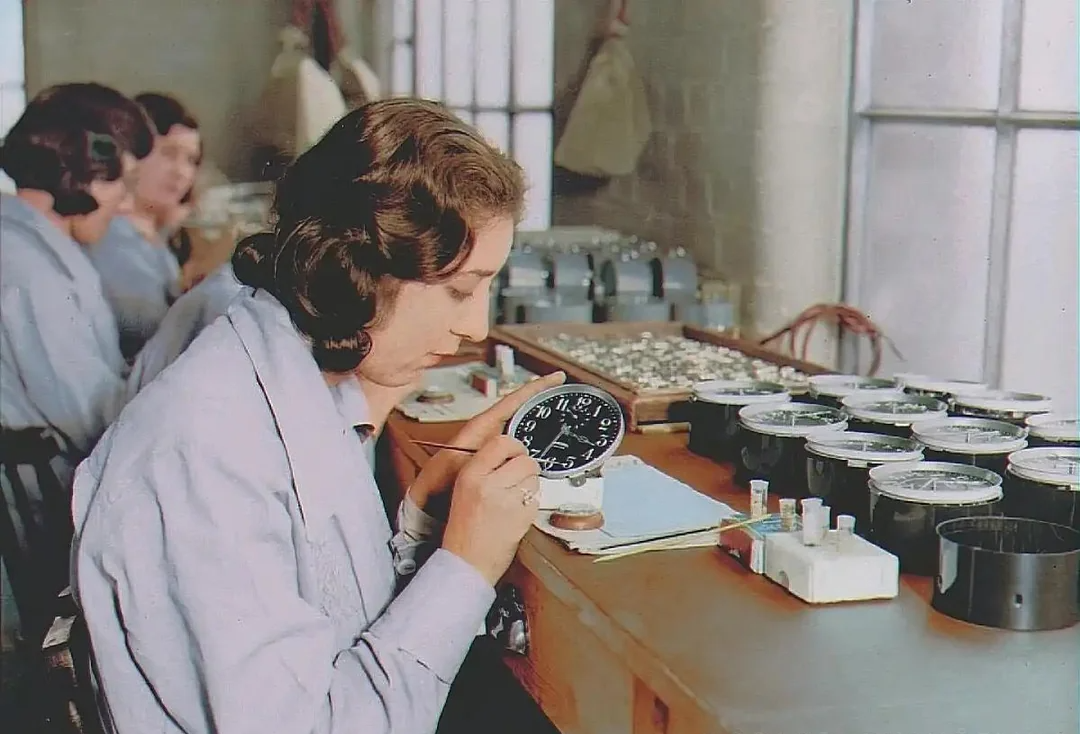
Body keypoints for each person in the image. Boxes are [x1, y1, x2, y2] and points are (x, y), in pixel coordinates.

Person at [72, 99, 563, 734]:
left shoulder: (289, 385)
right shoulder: (207, 452)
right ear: (355, 268)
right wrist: (465, 568)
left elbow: (334, 616)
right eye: (461, 289)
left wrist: (424, 527)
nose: (477, 326)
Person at [0, 82, 153, 479]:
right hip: (42, 506)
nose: (125, 203)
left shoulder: (28, 246)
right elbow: (93, 422)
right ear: (86, 173)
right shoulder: (31, 274)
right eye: (125, 182)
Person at [88, 92, 201, 359]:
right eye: (168, 153)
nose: (181, 172)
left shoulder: (149, 231)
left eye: (191, 160)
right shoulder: (112, 235)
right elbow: (152, 329)